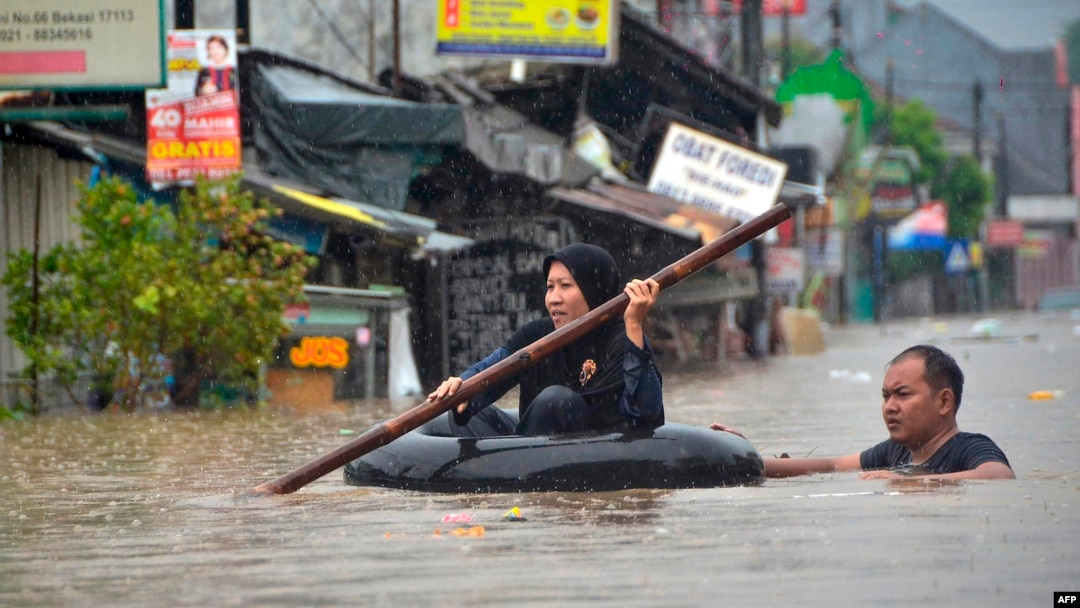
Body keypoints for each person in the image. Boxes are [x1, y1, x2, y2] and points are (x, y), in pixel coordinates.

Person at [428, 243, 664, 437]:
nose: (553, 299)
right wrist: (464, 384)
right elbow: (493, 368)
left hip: (594, 451)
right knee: (468, 408)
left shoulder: (621, 338)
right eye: (550, 287)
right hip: (532, 446)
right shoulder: (537, 334)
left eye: (565, 286)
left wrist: (634, 323)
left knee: (555, 401)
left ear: (594, 289)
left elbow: (643, 413)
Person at [710, 344, 1014, 480]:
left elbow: (999, 475)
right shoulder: (897, 453)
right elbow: (830, 465)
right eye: (885, 396)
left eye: (903, 395)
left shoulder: (968, 447)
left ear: (944, 402)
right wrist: (748, 457)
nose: (890, 407)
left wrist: (912, 481)